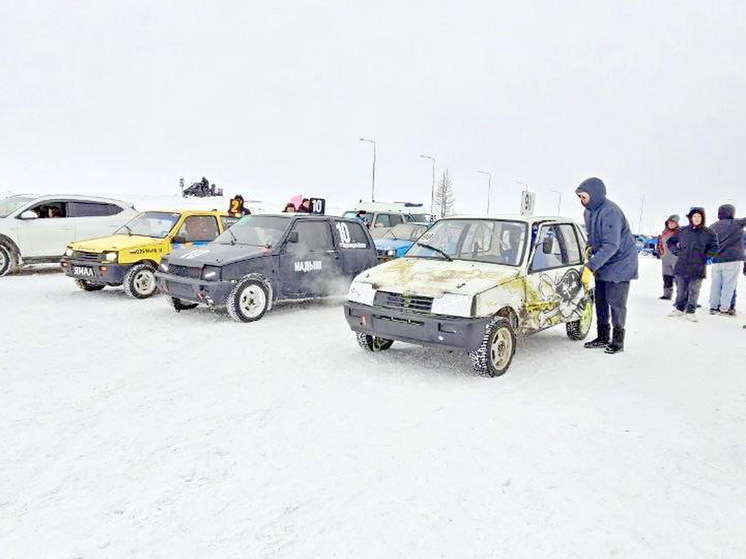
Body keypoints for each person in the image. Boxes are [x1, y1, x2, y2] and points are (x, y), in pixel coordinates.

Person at [575, 177, 639, 354]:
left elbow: (612, 245)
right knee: (601, 299)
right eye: (579, 197)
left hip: (620, 263)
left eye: (584, 197)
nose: (581, 201)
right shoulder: (588, 212)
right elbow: (593, 237)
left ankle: (618, 342)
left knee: (616, 303)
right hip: (604, 261)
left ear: (594, 195)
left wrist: (591, 265)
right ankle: (602, 336)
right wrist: (588, 247)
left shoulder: (610, 211)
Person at [666, 208, 718, 322]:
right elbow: (670, 242)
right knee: (680, 289)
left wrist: (707, 257)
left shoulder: (709, 233)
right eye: (694, 216)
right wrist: (676, 251)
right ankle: (679, 309)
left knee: (694, 290)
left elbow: (714, 247)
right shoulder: (681, 231)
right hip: (682, 264)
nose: (696, 219)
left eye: (699, 217)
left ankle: (690, 311)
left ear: (702, 218)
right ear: (690, 218)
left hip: (698, 266)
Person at [708, 204, 746, 316]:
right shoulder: (735, 223)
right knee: (729, 285)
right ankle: (725, 308)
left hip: (716, 260)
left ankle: (713, 307)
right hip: (732, 259)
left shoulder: (712, 226)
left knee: (715, 284)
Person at [656, 214, 680, 300]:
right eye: (670, 222)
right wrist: (660, 252)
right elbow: (660, 244)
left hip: (676, 259)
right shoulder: (664, 233)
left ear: (677, 224)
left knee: (678, 278)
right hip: (665, 258)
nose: (671, 224)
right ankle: (667, 294)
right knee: (667, 277)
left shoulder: (679, 233)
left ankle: (681, 296)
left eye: (673, 223)